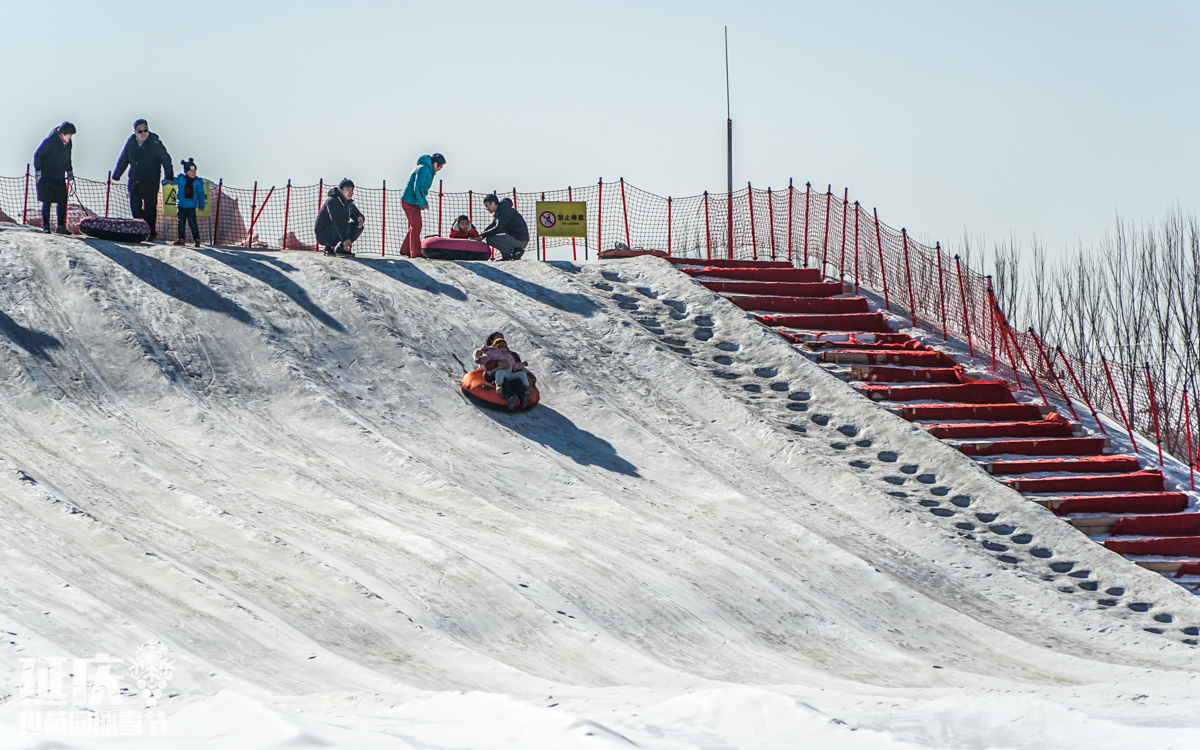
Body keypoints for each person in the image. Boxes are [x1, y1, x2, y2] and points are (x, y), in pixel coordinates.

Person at [112, 119, 174, 241]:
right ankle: (139, 231)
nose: (143, 133)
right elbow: (124, 159)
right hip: (135, 181)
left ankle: (150, 233)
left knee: (150, 209)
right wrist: (116, 175)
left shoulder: (155, 143)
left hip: (151, 181)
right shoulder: (131, 144)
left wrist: (169, 177)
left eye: (145, 130)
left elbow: (166, 160)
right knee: (135, 207)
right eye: (140, 131)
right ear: (135, 132)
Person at [399, 153, 445, 258]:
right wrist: (423, 202)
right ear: (435, 164)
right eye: (440, 166)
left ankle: (405, 250)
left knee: (414, 226)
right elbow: (418, 187)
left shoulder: (429, 170)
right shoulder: (424, 169)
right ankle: (416, 253)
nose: (440, 169)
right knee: (417, 225)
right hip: (410, 200)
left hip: (413, 201)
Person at [33, 122, 75, 235]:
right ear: (62, 133)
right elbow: (38, 155)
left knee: (62, 201)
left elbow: (68, 158)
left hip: (59, 176)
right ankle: (46, 226)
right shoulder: (50, 141)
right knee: (47, 201)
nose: (70, 137)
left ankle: (61, 227)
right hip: (46, 176)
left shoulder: (68, 143)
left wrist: (69, 170)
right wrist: (39, 170)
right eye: (69, 135)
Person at [473, 332, 532, 409]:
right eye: (498, 338)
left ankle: (523, 397)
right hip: (495, 376)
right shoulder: (490, 352)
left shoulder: (509, 355)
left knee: (517, 380)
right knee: (504, 379)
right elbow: (484, 362)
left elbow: (515, 365)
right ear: (492, 341)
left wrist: (523, 364)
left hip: (509, 374)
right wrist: (496, 363)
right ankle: (507, 397)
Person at [314, 178, 365, 257]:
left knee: (357, 226)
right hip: (323, 234)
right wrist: (345, 239)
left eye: (352, 190)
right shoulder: (332, 201)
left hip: (338, 229)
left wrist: (360, 218)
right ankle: (329, 247)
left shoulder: (348, 203)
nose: (351, 193)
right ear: (340, 189)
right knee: (345, 226)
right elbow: (337, 221)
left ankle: (342, 249)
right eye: (348, 189)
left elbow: (357, 214)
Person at [479, 193, 529, 261]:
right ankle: (507, 256)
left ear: (493, 203)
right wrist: (481, 235)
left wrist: (483, 235)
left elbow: (499, 228)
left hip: (519, 240)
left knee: (491, 239)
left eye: (487, 206)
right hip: (517, 238)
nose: (487, 208)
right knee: (492, 237)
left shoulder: (505, 211)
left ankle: (515, 251)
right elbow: (493, 225)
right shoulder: (501, 210)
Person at [172, 159, 206, 247]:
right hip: (181, 206)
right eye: (191, 171)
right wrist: (166, 181)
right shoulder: (181, 179)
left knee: (192, 223)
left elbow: (201, 194)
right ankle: (181, 239)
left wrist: (201, 205)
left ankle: (197, 239)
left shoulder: (197, 182)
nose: (193, 173)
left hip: (191, 206)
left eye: (195, 171)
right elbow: (173, 181)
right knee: (181, 223)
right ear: (186, 172)